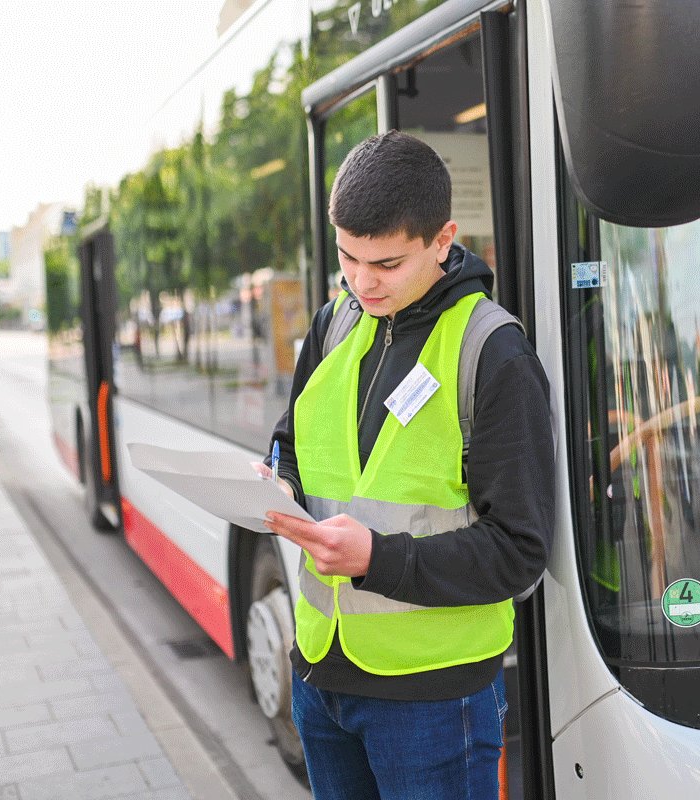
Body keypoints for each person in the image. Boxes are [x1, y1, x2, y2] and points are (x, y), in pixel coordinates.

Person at [259, 130, 555, 800]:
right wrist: (277, 480)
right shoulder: (333, 324)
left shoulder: (493, 353)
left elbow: (520, 553)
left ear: (443, 241)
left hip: (434, 702)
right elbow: (291, 442)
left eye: (386, 263)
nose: (362, 281)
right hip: (321, 677)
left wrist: (377, 559)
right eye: (348, 256)